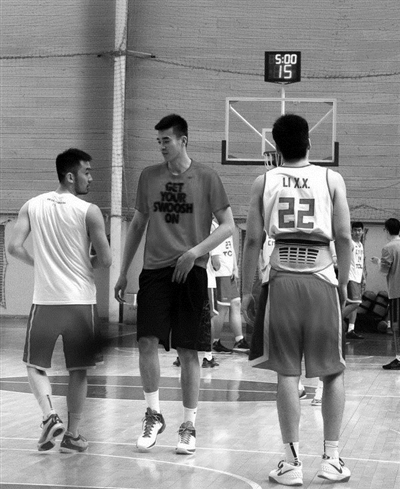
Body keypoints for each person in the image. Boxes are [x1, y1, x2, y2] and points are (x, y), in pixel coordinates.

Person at [241, 114, 352, 485]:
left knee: (287, 374)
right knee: (332, 372)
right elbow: (343, 237)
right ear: (309, 143)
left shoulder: (264, 181)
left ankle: (291, 464)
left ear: (275, 148)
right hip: (321, 278)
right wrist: (343, 284)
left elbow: (252, 240)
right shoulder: (331, 179)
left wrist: (246, 290)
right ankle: (331, 459)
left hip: (281, 282)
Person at [114, 114, 234, 454]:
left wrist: (194, 253)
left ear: (183, 140)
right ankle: (153, 414)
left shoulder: (207, 177)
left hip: (191, 272)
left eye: (166, 140)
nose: (162, 146)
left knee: (188, 349)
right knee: (146, 341)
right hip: (155, 271)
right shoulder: (149, 176)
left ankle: (188, 426)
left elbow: (228, 226)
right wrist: (123, 272)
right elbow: (138, 224)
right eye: (159, 141)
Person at [7, 148, 112, 453]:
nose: (90, 178)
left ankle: (49, 415)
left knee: (34, 366)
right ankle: (72, 436)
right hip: (80, 303)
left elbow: (14, 247)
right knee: (79, 371)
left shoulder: (32, 205)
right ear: (70, 176)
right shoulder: (89, 211)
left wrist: (39, 264)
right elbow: (106, 259)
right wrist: (83, 263)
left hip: (46, 301)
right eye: (86, 172)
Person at [211, 219, 249, 354]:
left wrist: (235, 267)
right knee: (222, 308)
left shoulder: (226, 223)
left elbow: (230, 246)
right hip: (220, 273)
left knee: (236, 303)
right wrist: (217, 267)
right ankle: (214, 341)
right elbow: (213, 249)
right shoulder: (211, 225)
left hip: (229, 271)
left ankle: (239, 340)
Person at [371, 218, 400, 370]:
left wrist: (378, 262)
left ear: (386, 230)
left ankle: (399, 358)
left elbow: (384, 271)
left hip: (397, 292)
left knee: (396, 326)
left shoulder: (389, 247)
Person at [344, 222, 366, 339]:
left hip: (358, 277)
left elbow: (361, 262)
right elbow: (344, 260)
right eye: (355, 230)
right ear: (351, 231)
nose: (357, 232)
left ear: (362, 231)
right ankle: (335, 321)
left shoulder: (360, 245)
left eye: (359, 230)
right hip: (350, 277)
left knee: (354, 305)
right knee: (355, 303)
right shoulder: (350, 244)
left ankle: (351, 330)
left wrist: (363, 276)